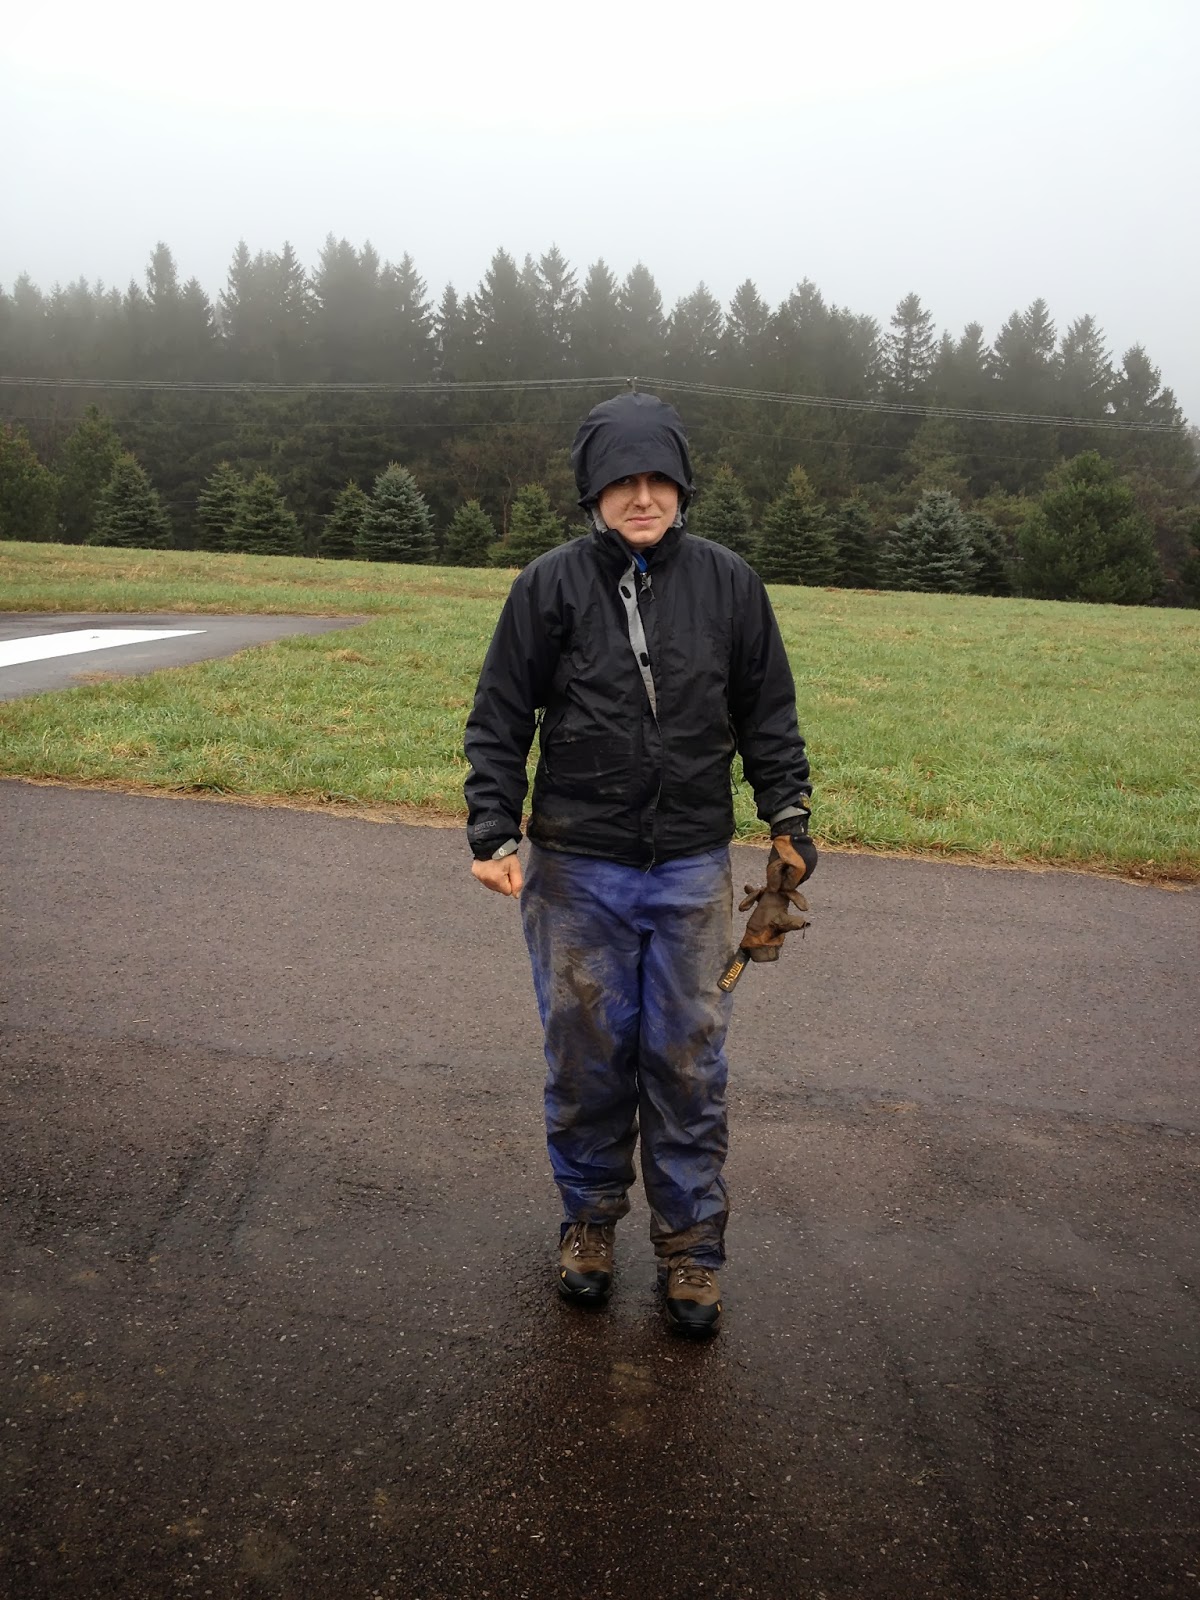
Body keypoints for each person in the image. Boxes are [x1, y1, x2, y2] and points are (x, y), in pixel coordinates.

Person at [464, 392, 814, 1337]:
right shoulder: (548, 586)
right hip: (575, 869)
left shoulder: (731, 584)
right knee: (587, 1055)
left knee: (687, 1058)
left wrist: (788, 817)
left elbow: (767, 714)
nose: (644, 496)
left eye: (660, 479)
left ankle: (691, 1246)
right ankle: (588, 1220)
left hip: (692, 869)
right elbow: (500, 716)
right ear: (594, 492)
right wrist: (493, 830)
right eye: (624, 480)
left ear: (683, 488)